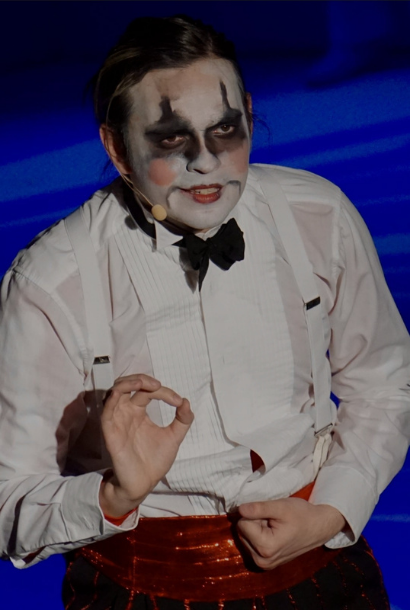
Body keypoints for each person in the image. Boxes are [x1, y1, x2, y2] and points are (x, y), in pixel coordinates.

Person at [0, 14, 409, 610]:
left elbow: (386, 382)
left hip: (326, 577)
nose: (206, 162)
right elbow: (8, 503)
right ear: (116, 147)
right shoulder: (51, 281)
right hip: (136, 593)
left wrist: (334, 507)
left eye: (226, 130)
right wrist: (113, 495)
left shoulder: (318, 216)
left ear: (247, 111)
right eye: (169, 140)